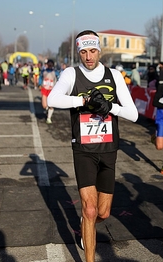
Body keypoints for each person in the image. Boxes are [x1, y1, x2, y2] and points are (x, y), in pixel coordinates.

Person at [47, 30, 138, 262]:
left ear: (99, 51)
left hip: (108, 150)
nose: (88, 56)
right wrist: (84, 100)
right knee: (89, 209)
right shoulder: (71, 73)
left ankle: (84, 224)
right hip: (84, 150)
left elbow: (133, 114)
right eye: (84, 52)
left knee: (103, 213)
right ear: (79, 52)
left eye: (92, 51)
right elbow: (52, 99)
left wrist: (110, 108)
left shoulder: (114, 75)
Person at [41, 60, 57, 124]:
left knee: (51, 105)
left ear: (53, 65)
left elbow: (58, 79)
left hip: (52, 90)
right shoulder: (43, 71)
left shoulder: (55, 72)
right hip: (44, 89)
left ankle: (48, 118)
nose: (50, 66)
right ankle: (47, 109)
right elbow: (40, 78)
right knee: (44, 106)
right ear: (47, 65)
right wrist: (40, 84)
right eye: (49, 64)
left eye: (51, 65)